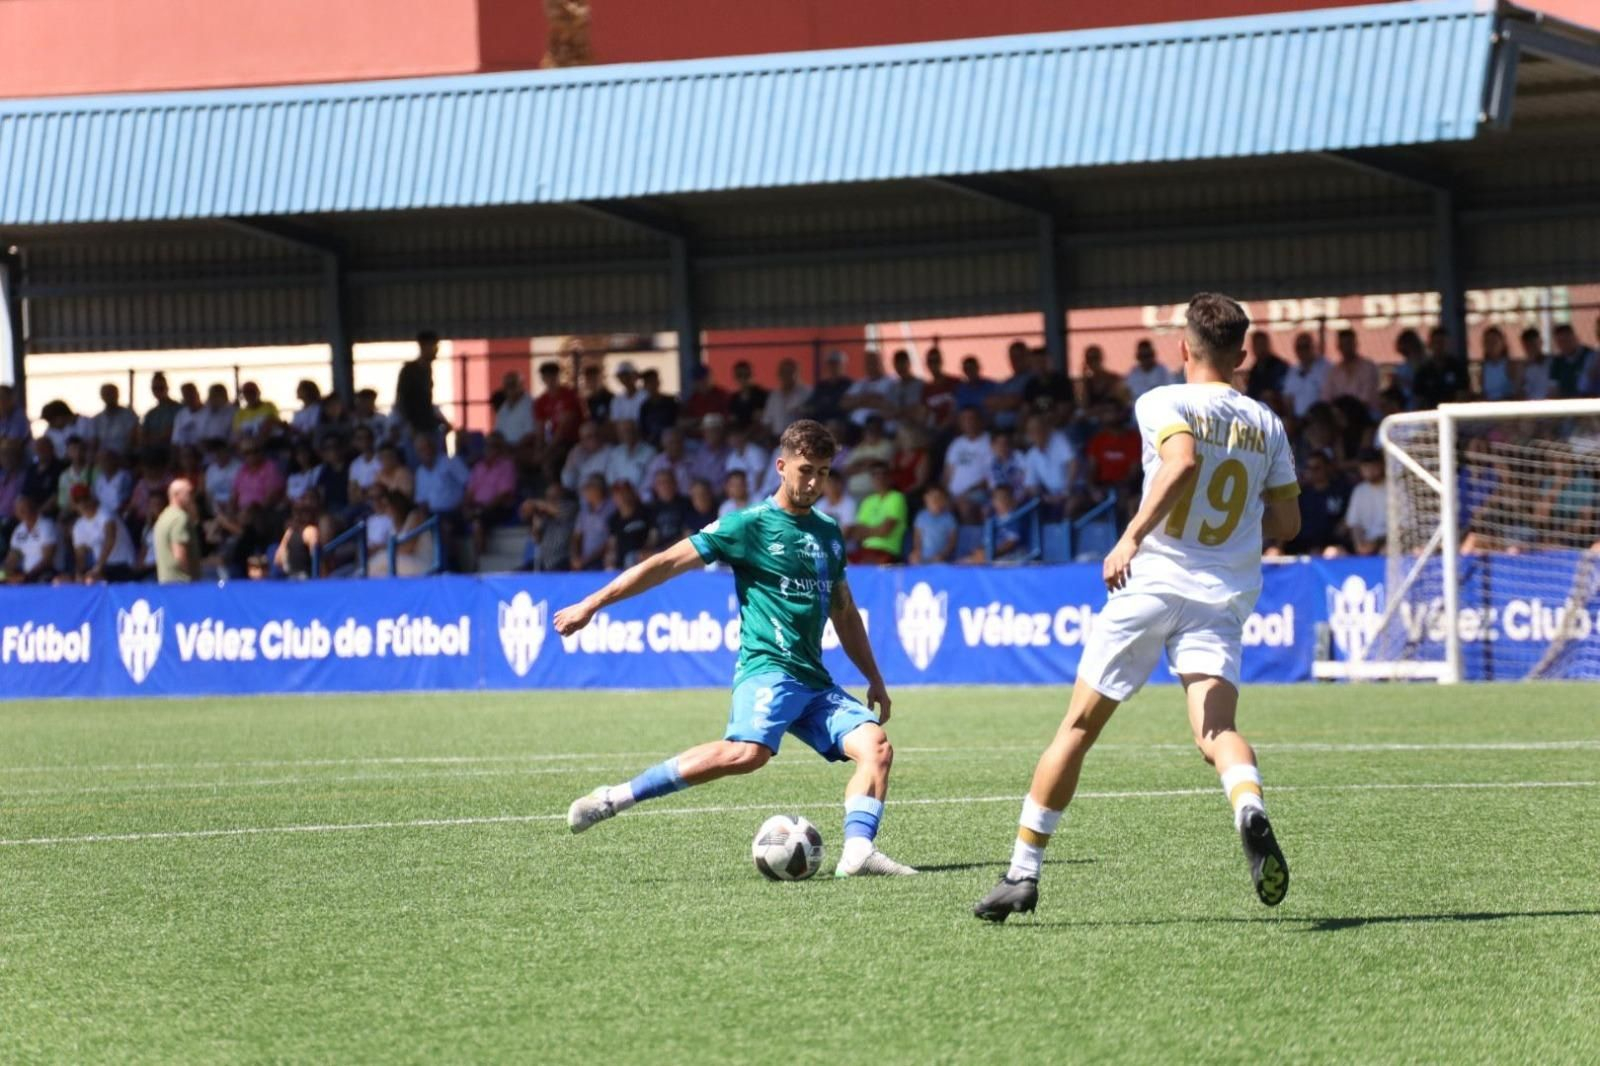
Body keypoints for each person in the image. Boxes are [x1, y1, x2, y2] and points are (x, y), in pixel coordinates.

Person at [974, 292, 1299, 922]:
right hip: (1223, 592)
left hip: (1152, 582)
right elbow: (1287, 519)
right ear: (1243, 354)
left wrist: (1130, 537)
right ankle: (1249, 807)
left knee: (1077, 729)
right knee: (1216, 732)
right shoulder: (1267, 423)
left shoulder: (1162, 401)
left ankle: (1022, 873)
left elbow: (1181, 461)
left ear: (1184, 349)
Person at [557, 419, 915, 877]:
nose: (813, 482)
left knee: (877, 747)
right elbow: (667, 562)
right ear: (781, 466)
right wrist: (593, 603)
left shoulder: (828, 532)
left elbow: (843, 611)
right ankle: (614, 797)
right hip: (768, 670)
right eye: (805, 470)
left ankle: (858, 852)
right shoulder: (749, 526)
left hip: (813, 679)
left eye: (823, 472)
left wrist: (875, 678)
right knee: (748, 755)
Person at [849, 461, 907, 564]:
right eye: (875, 474)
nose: (880, 478)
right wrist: (877, 530)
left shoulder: (897, 498)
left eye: (884, 474)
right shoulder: (867, 501)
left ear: (890, 477)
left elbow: (885, 530)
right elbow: (858, 533)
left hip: (887, 551)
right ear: (871, 478)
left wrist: (868, 531)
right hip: (865, 550)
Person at [1339, 448, 1388, 556]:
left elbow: (1402, 527)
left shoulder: (1395, 489)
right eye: (1365, 466)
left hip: (1389, 543)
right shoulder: (1359, 490)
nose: (1369, 470)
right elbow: (1355, 523)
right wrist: (1359, 544)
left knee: (1385, 551)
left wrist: (1377, 542)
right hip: (1365, 544)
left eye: (1373, 465)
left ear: (1382, 465)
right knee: (1333, 552)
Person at [1321, 328, 1380, 412]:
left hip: (1365, 415)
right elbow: (1327, 397)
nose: (1346, 348)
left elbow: (1368, 397)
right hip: (1339, 417)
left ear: (1355, 344)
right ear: (1338, 347)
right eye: (1343, 344)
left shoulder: (1368, 367)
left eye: (1349, 344)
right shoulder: (1333, 372)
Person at [4, 494, 58, 584]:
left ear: (33, 508)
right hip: (28, 575)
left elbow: (47, 560)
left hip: (49, 573)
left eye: (24, 508)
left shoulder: (46, 526)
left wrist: (26, 577)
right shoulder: (19, 530)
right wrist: (3, 574)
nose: (21, 511)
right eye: (18, 509)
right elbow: (12, 558)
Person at [153, 478, 198, 584]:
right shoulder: (179, 518)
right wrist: (191, 579)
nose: (192, 497)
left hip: (166, 581)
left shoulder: (163, 516)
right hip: (182, 583)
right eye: (189, 493)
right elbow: (179, 555)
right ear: (176, 495)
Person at [534, 360, 584, 446]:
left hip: (574, 440)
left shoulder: (569, 395)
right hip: (554, 440)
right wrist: (538, 448)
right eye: (546, 376)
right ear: (542, 378)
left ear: (558, 376)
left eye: (553, 375)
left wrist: (549, 450)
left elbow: (564, 426)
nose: (550, 380)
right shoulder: (541, 401)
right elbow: (540, 427)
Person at [1281, 332, 1329, 419]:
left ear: (1314, 347)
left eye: (1306, 346)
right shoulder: (1293, 371)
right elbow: (1287, 398)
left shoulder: (1326, 368)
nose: (1303, 351)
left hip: (1319, 418)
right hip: (1297, 419)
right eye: (1299, 348)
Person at [761, 357, 811, 439]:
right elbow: (767, 421)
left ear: (798, 373)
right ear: (779, 374)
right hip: (778, 439)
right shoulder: (774, 396)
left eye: (790, 372)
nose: (787, 376)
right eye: (784, 372)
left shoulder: (807, 393)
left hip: (800, 439)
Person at [909, 484, 958, 564]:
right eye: (932, 497)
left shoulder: (949, 518)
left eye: (939, 498)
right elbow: (917, 538)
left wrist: (943, 555)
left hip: (941, 559)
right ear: (925, 498)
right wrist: (916, 552)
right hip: (922, 557)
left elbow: (952, 542)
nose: (936, 501)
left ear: (944, 500)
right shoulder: (921, 517)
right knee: (913, 559)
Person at [91, 383, 141, 457]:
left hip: (125, 456)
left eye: (112, 393)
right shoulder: (97, 419)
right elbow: (94, 442)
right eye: (107, 394)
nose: (110, 397)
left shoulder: (129, 415)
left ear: (117, 395)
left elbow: (134, 438)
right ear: (102, 396)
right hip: (103, 459)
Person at [493, 371, 537, 445]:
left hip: (525, 450)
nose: (509, 388)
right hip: (505, 451)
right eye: (506, 385)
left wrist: (514, 448)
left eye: (513, 384)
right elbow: (498, 432)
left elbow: (531, 434)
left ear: (521, 385)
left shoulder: (531, 405)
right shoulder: (503, 408)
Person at [140, 373, 183, 447]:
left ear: (167, 388)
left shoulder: (178, 409)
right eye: (155, 388)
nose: (158, 391)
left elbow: (171, 433)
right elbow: (143, 437)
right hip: (153, 449)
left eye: (161, 388)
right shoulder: (150, 414)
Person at [727, 360, 768, 431]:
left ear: (752, 375)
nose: (743, 379)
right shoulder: (733, 399)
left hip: (757, 436)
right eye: (739, 375)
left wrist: (744, 437)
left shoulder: (761, 395)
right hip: (739, 437)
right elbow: (733, 421)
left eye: (746, 375)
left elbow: (759, 422)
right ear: (735, 377)